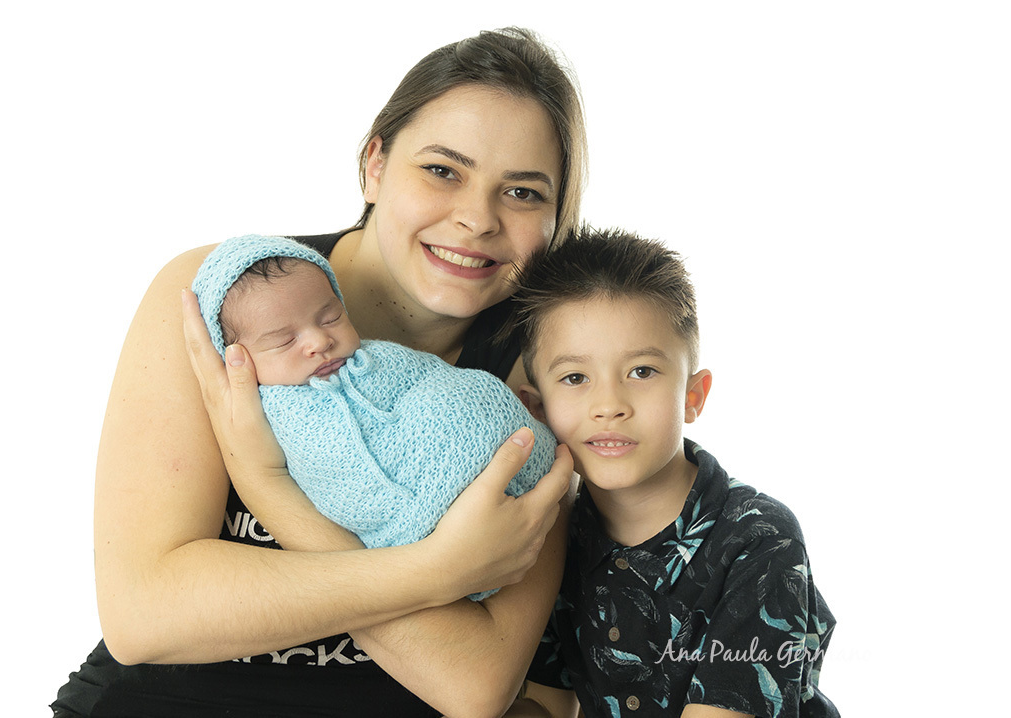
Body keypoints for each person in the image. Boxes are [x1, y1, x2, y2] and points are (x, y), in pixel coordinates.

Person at [51, 27, 585, 718]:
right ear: (374, 164)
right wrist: (437, 572)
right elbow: (142, 613)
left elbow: (473, 684)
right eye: (443, 171)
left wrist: (269, 488)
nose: (476, 219)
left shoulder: (543, 380)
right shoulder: (222, 295)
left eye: (521, 192)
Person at [504, 229, 838, 718]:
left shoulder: (759, 540)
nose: (609, 405)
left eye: (642, 371)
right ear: (536, 408)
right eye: (575, 378)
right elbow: (548, 703)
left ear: (692, 396)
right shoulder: (558, 535)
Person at [192, 233, 557, 599]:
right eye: (284, 341)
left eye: (330, 318)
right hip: (427, 522)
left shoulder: (376, 357)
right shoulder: (276, 413)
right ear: (235, 358)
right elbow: (340, 485)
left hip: (507, 451)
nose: (319, 341)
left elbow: (435, 377)